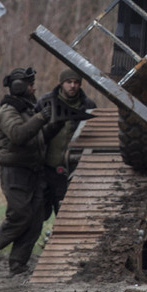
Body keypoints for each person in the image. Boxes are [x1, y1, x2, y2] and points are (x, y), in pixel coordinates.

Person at [0, 67, 49, 276]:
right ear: (20, 87)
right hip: (15, 171)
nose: (34, 87)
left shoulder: (28, 109)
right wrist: (41, 118)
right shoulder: (8, 111)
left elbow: (38, 136)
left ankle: (18, 264)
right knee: (20, 215)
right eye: (30, 84)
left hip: (33, 170)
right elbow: (18, 135)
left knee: (35, 219)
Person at [37, 68, 96, 218]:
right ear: (62, 83)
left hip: (70, 170)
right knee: (38, 213)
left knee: (64, 213)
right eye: (69, 82)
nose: (73, 86)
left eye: (76, 82)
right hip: (45, 167)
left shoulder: (88, 106)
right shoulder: (46, 102)